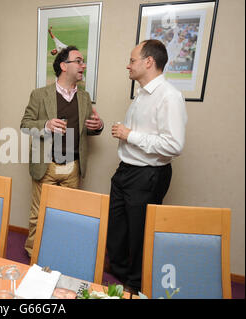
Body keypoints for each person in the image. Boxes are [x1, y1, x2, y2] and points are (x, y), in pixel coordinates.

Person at [106, 39, 187, 294]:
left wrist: (130, 135)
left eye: (132, 60)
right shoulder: (141, 94)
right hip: (126, 171)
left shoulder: (170, 97)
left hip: (148, 175)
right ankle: (117, 273)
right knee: (117, 228)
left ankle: (135, 284)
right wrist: (128, 135)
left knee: (139, 234)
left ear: (148, 62)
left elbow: (174, 145)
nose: (128, 66)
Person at [20, 46, 104, 257]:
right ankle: (33, 254)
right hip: (46, 164)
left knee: (67, 213)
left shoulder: (85, 97)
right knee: (39, 214)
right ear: (64, 66)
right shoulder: (40, 95)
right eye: (79, 61)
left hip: (73, 166)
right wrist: (46, 125)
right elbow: (25, 125)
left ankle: (60, 251)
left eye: (83, 61)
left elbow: (87, 130)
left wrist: (99, 126)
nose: (83, 65)